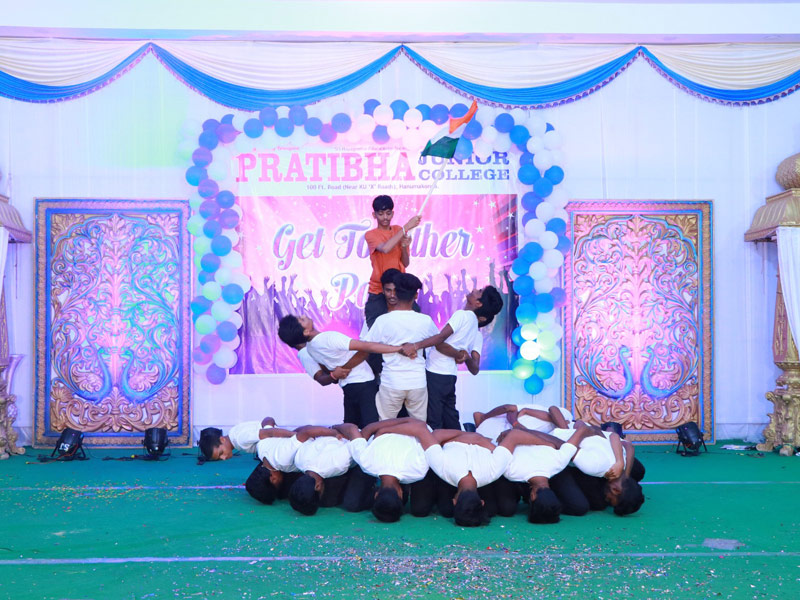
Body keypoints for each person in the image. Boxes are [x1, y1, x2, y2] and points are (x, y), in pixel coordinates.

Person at [372, 418, 546, 527]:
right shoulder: (444, 468)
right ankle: (469, 429)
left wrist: (471, 439)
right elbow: (507, 440)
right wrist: (475, 438)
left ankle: (469, 431)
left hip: (456, 439)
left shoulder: (491, 471)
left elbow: (437, 434)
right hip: (463, 439)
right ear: (455, 501)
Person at [404, 286, 504, 429]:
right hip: (449, 375)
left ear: (478, 303)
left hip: (436, 372)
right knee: (450, 416)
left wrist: (415, 346)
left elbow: (440, 339)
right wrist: (461, 355)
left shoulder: (462, 315)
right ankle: (459, 440)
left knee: (434, 419)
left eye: (480, 291)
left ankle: (435, 442)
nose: (475, 289)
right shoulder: (474, 325)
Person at [277, 314, 403, 427]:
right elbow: (367, 347)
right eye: (301, 320)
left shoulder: (310, 349)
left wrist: (337, 372)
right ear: (306, 332)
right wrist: (398, 348)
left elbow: (328, 369)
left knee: (352, 426)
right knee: (372, 426)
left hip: (348, 387)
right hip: (364, 383)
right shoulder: (328, 338)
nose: (304, 316)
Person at [362, 273, 440, 421]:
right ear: (416, 295)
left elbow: (368, 346)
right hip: (417, 381)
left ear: (396, 293)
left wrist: (396, 348)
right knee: (419, 427)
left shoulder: (383, 320)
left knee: (384, 426)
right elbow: (438, 340)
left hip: (391, 381)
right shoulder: (425, 320)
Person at [340, 418, 432, 522]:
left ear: (400, 493)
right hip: (405, 426)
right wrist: (334, 428)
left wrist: (385, 430)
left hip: (402, 426)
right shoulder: (365, 462)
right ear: (376, 494)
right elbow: (354, 429)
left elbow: (420, 427)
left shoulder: (418, 471)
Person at [548, 421, 645, 516]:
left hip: (589, 450)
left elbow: (621, 441)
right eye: (609, 500)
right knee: (579, 507)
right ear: (616, 490)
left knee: (599, 503)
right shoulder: (595, 465)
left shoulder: (618, 465)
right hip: (558, 451)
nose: (606, 498)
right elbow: (563, 447)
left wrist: (623, 471)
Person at [501, 426, 594, 524]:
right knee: (507, 509)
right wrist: (547, 443)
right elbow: (513, 435)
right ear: (532, 496)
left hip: (544, 463)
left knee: (579, 507)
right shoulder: (510, 472)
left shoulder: (560, 461)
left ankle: (543, 503)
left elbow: (582, 430)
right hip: (527, 437)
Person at [245, 424, 342, 505]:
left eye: (277, 486)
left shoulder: (283, 459)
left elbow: (306, 431)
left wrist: (334, 433)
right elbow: (268, 422)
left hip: (325, 444)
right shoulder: (261, 449)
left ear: (273, 479)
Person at [364, 195, 422, 328]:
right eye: (381, 214)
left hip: (400, 287)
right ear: (374, 215)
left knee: (415, 321)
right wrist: (406, 227)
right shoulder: (371, 235)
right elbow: (385, 248)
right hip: (378, 289)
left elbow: (405, 263)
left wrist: (404, 246)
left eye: (388, 213)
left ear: (393, 213)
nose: (385, 217)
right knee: (375, 328)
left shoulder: (398, 230)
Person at [288, 428, 376, 515]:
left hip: (359, 447)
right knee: (327, 501)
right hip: (334, 437)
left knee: (353, 503)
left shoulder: (337, 464)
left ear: (318, 486)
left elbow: (355, 435)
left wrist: (338, 428)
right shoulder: (299, 461)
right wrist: (333, 431)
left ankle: (378, 492)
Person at [473, 403, 573, 443]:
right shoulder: (566, 418)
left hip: (497, 436)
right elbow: (508, 408)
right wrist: (516, 424)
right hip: (494, 430)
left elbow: (508, 408)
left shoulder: (557, 433)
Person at [198, 416, 278, 462]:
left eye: (221, 453)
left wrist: (289, 435)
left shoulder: (241, 439)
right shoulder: (233, 433)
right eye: (219, 458)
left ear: (222, 439)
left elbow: (268, 422)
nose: (223, 458)